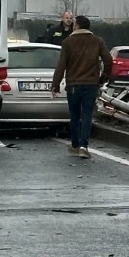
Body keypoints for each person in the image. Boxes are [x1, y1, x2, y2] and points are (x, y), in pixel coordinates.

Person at [51, 15, 111, 159]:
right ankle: (84, 146)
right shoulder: (97, 41)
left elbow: (61, 66)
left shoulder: (68, 42)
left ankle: (75, 145)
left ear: (76, 26)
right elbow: (108, 60)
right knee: (87, 115)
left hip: (73, 84)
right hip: (91, 84)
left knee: (75, 115)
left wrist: (55, 84)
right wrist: (102, 79)